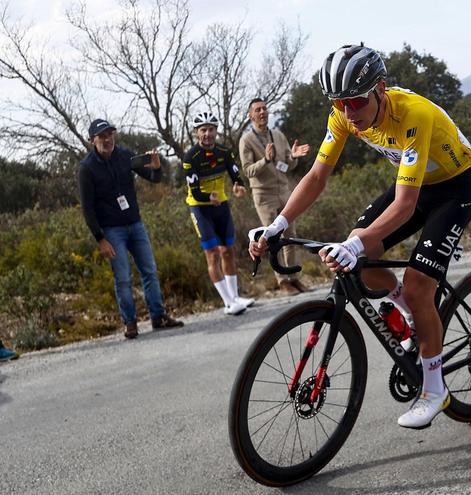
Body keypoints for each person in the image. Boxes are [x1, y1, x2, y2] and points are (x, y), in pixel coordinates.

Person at [249, 44, 471, 429]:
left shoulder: (413, 115)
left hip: (455, 188)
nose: (349, 113)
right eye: (339, 104)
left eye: (356, 102)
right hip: (420, 186)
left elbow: (405, 205)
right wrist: (278, 224)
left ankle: (435, 389)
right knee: (360, 254)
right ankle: (408, 312)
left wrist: (355, 244)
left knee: (419, 282)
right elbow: (316, 177)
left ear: (380, 89)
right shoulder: (342, 115)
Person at [78, 119, 184, 339]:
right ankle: (130, 322)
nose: (107, 140)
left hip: (135, 224)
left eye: (110, 134)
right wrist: (101, 239)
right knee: (123, 277)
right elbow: (87, 209)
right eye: (102, 136)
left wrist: (157, 168)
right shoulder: (87, 168)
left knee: (150, 270)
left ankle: (158, 316)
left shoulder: (125, 155)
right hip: (111, 230)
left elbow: (153, 178)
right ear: (92, 140)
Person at [183, 112, 253, 316]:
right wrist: (208, 198)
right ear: (196, 133)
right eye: (203, 130)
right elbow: (195, 190)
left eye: (211, 129)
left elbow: (234, 174)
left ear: (216, 131)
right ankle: (228, 302)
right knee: (212, 253)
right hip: (200, 207)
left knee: (228, 251)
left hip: (221, 205)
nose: (207, 134)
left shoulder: (224, 151)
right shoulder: (191, 157)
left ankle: (235, 297)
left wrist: (238, 186)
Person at [239, 98, 311, 294]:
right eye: (257, 110)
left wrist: (294, 158)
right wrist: (265, 160)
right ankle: (282, 281)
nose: (262, 112)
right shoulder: (246, 140)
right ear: (250, 115)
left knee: (290, 236)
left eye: (264, 108)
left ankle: (294, 278)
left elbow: (288, 164)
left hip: (284, 191)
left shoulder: (278, 135)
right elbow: (248, 171)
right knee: (272, 238)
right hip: (264, 195)